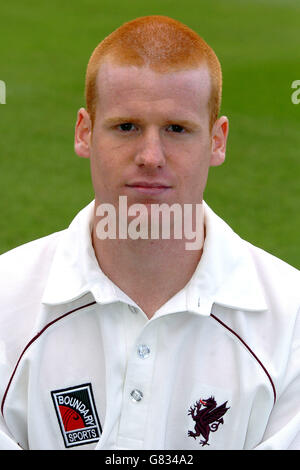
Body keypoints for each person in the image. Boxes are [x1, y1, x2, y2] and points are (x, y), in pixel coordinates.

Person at [0, 15, 299, 451]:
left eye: (177, 129)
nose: (151, 156)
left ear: (217, 140)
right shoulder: (6, 299)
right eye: (127, 127)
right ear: (84, 132)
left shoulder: (291, 319)